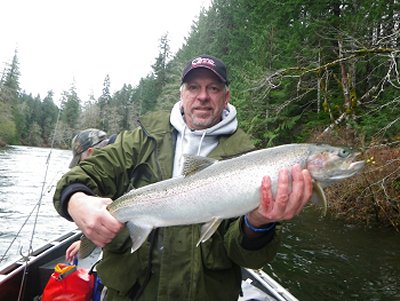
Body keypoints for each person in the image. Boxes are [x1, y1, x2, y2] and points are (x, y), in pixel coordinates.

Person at [53, 54, 313, 301]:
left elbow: (248, 257)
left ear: (226, 97)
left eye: (213, 88)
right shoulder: (139, 141)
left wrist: (259, 223)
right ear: (182, 94)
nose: (202, 96)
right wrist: (77, 203)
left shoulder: (250, 158)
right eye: (193, 87)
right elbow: (81, 175)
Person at [65, 128, 116, 263]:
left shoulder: (115, 170)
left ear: (90, 153)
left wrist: (89, 242)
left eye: (81, 163)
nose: (81, 168)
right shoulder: (116, 159)